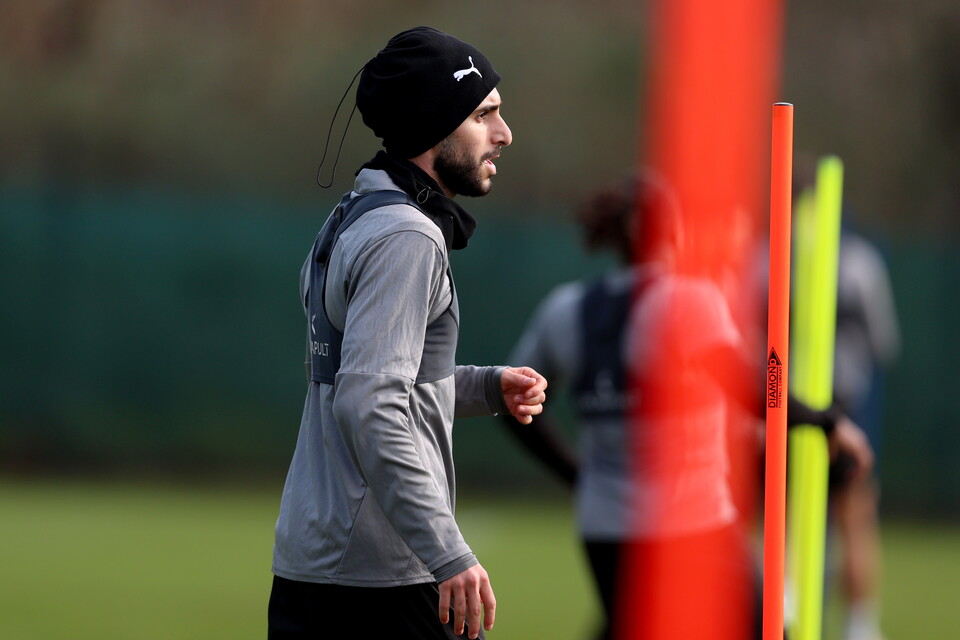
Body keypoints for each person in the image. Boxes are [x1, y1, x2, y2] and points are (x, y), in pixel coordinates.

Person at [499, 173, 873, 640]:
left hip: (605, 529)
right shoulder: (687, 298)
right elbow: (753, 385)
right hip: (690, 523)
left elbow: (510, 402)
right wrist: (825, 421)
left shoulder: (565, 309)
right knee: (766, 629)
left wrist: (579, 475)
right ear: (675, 231)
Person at [268, 27, 548, 640]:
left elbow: (365, 377)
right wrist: (447, 550)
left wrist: (485, 387)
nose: (504, 134)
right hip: (380, 578)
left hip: (311, 566)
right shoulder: (406, 235)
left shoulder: (352, 214)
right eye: (484, 114)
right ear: (434, 126)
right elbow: (370, 402)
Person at [830, 222, 900, 640]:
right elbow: (882, 343)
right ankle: (858, 625)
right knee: (854, 518)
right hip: (841, 405)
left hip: (781, 402)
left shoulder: (766, 258)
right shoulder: (860, 262)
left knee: (778, 518)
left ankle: (784, 606)